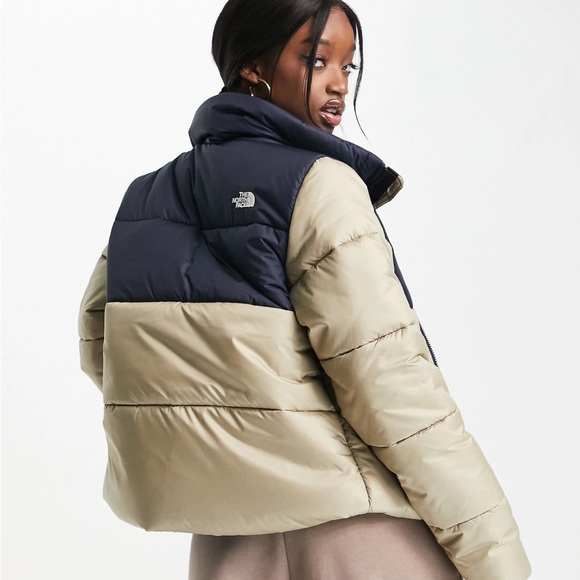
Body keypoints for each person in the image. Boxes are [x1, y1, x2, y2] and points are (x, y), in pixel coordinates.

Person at [78, 1, 531, 578]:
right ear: (253, 66)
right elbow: (392, 389)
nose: (339, 84)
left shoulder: (149, 197)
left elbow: (103, 343)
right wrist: (496, 558)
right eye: (317, 60)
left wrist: (221, 425)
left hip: (224, 548)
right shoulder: (320, 187)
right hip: (355, 538)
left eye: (349, 65)